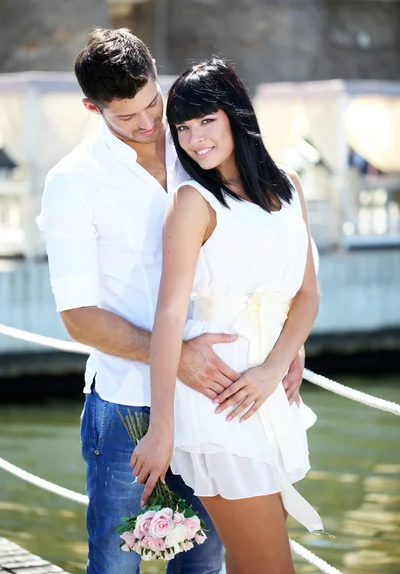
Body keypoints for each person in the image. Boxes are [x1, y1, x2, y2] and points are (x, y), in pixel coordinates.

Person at [36, 28, 305, 574]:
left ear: (158, 76)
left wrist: (282, 344)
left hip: (214, 402)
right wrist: (179, 355)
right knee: (115, 564)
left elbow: (257, 250)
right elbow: (77, 317)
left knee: (203, 565)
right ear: (92, 107)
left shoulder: (198, 146)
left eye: (152, 103)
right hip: (129, 405)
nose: (148, 123)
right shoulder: (72, 182)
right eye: (125, 115)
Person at [131, 59, 323, 574]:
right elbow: (169, 315)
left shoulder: (287, 186)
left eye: (205, 121)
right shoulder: (192, 201)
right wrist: (162, 428)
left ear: (234, 115)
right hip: (219, 401)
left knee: (250, 561)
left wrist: (274, 365)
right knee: (271, 566)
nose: (194, 139)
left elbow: (306, 294)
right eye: (183, 128)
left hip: (266, 389)